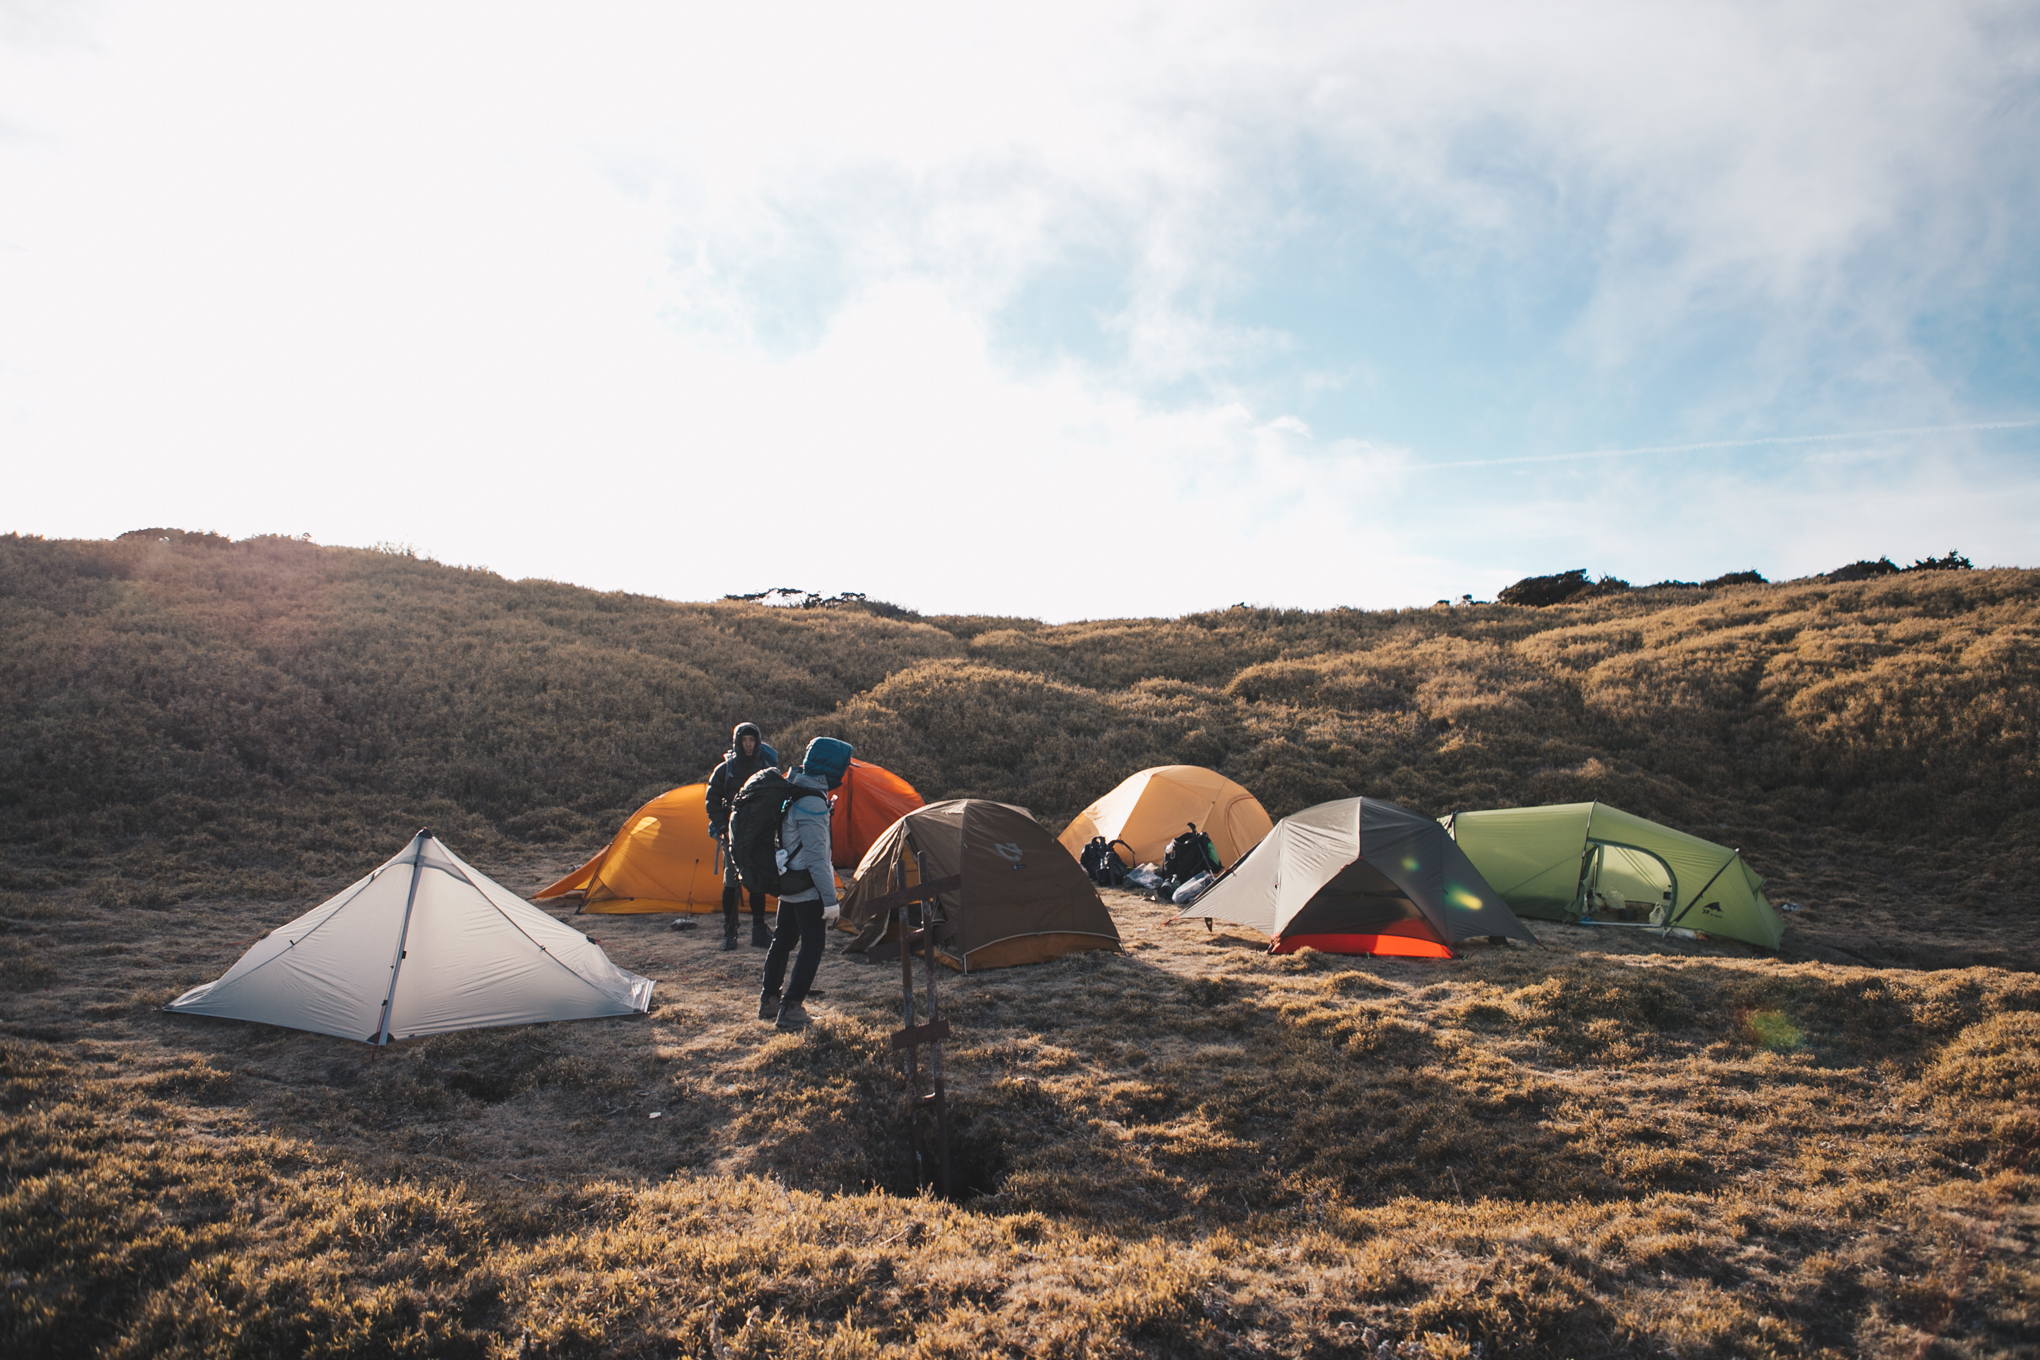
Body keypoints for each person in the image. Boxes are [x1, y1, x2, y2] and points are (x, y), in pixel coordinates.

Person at [759, 737, 852, 1031]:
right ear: (831, 766)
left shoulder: (796, 787)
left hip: (790, 880)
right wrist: (830, 900)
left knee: (783, 941)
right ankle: (791, 1008)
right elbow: (817, 858)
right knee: (812, 945)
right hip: (806, 885)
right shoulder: (811, 799)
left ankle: (770, 1000)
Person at [706, 722, 778, 950]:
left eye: (752, 740)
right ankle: (729, 931)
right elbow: (712, 801)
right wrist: (721, 826)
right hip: (733, 835)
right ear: (737, 742)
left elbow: (776, 797)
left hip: (759, 835)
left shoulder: (766, 767)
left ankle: (759, 930)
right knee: (731, 882)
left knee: (756, 881)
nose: (748, 745)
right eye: (744, 740)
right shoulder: (725, 770)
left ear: (757, 742)